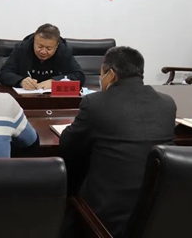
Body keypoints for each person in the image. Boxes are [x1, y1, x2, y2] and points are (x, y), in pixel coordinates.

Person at [59, 46, 176, 238]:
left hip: (106, 215)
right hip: (155, 212)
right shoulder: (167, 104)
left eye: (101, 73)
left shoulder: (95, 103)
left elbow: (67, 145)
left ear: (111, 74)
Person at [0, 23, 85, 89]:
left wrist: (55, 81)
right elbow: (3, 74)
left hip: (53, 100)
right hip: (25, 99)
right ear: (34, 41)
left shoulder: (64, 51)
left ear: (57, 46)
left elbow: (79, 76)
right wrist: (20, 81)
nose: (43, 52)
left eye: (49, 48)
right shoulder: (22, 49)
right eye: (39, 46)